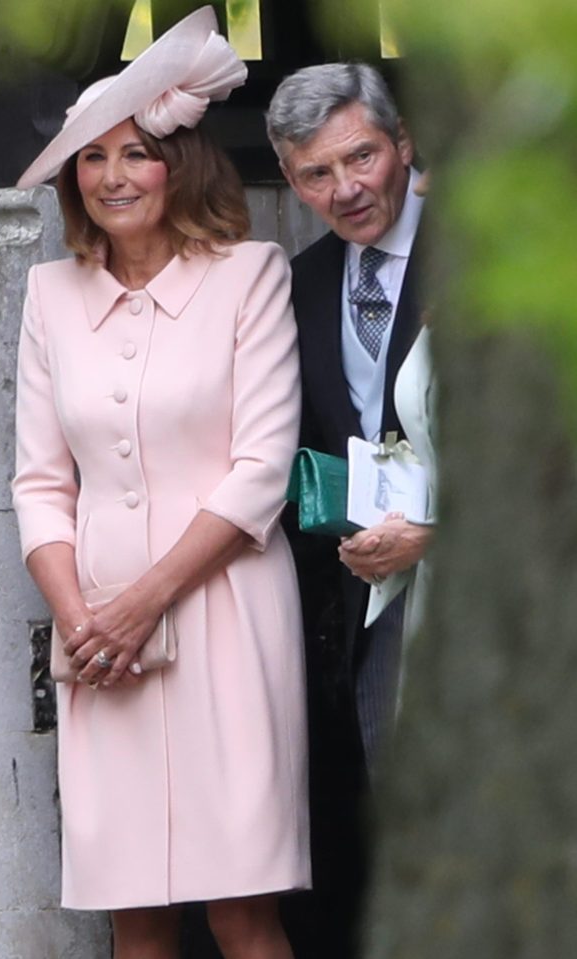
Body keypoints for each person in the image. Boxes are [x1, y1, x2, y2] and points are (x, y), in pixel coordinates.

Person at [12, 8, 310, 959]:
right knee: (133, 910)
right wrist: (84, 621)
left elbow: (261, 467)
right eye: (90, 159)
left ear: (177, 164)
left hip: (226, 609)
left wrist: (142, 602)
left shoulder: (250, 275)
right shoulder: (50, 296)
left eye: (134, 153)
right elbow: (38, 482)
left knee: (242, 905)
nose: (110, 177)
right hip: (97, 635)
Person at [266, 62, 434, 777]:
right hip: (362, 611)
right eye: (314, 174)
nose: (345, 189)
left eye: (360, 156)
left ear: (402, 141)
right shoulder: (297, 283)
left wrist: (432, 531)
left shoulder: (487, 256)